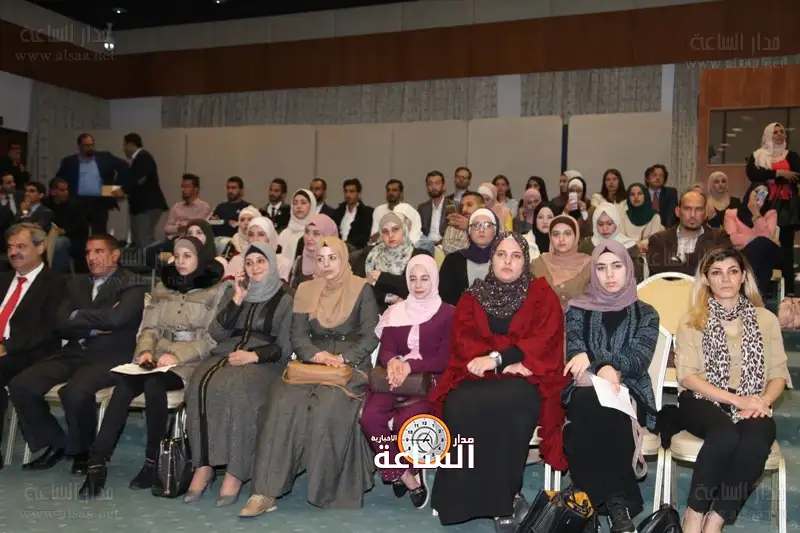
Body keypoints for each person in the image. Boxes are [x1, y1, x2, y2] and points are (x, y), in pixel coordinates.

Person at [430, 233, 568, 531]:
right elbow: (464, 342)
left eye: (516, 256)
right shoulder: (473, 296)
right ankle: (461, 500)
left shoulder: (541, 294)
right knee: (459, 405)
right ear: (491, 259)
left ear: (525, 261)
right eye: (501, 254)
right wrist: (503, 361)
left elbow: (544, 339)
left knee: (509, 406)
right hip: (480, 376)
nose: (508, 261)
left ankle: (504, 500)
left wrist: (497, 359)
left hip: (525, 379)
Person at [79, 236, 230, 498]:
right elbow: (149, 328)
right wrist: (145, 350)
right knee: (123, 385)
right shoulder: (163, 287)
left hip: (191, 361)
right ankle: (96, 464)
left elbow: (212, 338)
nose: (180, 261)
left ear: (201, 258)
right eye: (177, 256)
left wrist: (176, 355)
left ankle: (153, 462)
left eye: (187, 256)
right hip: (156, 358)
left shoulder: (217, 290)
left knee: (154, 384)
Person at [240, 237, 379, 517]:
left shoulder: (361, 288)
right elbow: (298, 335)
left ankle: (327, 491)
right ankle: (264, 492)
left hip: (348, 366)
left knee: (327, 405)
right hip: (311, 364)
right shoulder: (306, 290)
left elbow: (370, 334)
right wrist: (316, 355)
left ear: (344, 259)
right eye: (321, 259)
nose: (326, 265)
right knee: (282, 402)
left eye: (332, 258)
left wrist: (343, 358)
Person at [675, 248, 791, 533]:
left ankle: (716, 519)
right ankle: (694, 512)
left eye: (732, 271)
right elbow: (687, 377)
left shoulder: (766, 320)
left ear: (743, 277)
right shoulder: (692, 320)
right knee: (725, 435)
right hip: (701, 399)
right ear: (706, 279)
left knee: (756, 442)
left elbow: (778, 374)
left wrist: (762, 401)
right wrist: (738, 400)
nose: (725, 279)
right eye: (716, 273)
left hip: (754, 399)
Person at [8, 235, 144, 474]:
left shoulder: (131, 283)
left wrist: (78, 315)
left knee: (74, 392)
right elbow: (59, 323)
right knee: (22, 385)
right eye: (88, 252)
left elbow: (117, 318)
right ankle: (56, 442)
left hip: (109, 355)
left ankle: (83, 451)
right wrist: (93, 324)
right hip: (74, 351)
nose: (92, 257)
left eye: (99, 251)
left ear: (115, 255)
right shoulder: (76, 283)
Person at [184, 242, 293, 506]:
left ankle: (235, 471)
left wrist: (254, 356)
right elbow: (216, 333)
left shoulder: (286, 297)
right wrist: (236, 302)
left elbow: (286, 346)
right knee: (199, 383)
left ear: (272, 264)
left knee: (240, 389)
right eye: (249, 262)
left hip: (265, 361)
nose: (255, 268)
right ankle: (203, 464)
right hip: (228, 353)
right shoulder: (236, 291)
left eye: (261, 261)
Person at [563, 240, 660, 533]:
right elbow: (574, 351)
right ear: (593, 272)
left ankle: (588, 503)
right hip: (584, 390)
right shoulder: (577, 308)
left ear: (628, 269)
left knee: (604, 408)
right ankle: (618, 503)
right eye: (601, 268)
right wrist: (602, 367)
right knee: (593, 404)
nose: (609, 275)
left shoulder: (646, 313)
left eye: (616, 266)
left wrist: (599, 361)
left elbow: (638, 359)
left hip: (630, 389)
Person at [360, 255, 454, 508]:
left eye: (424, 278)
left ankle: (404, 469)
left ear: (434, 280)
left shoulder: (448, 314)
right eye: (412, 279)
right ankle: (404, 474)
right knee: (370, 418)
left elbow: (443, 359)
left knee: (407, 423)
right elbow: (387, 349)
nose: (418, 285)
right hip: (394, 378)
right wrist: (392, 362)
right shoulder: (396, 312)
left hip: (428, 381)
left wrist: (409, 365)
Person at [0, 223, 63, 467]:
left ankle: (56, 440)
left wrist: (7, 347)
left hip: (33, 352)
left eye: (21, 246)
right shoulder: (3, 279)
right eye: (10, 247)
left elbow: (47, 329)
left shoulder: (55, 284)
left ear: (40, 247)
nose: (13, 252)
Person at [746, 122, 800, 296]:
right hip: (762, 208)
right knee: (762, 248)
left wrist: (769, 175)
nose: (779, 134)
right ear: (767, 135)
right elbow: (753, 174)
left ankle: (789, 295)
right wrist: (779, 174)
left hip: (786, 211)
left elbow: (796, 175)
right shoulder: (756, 155)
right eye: (775, 132)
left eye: (781, 131)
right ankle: (761, 293)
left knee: (786, 252)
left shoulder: (792, 156)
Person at [55, 133, 128, 234]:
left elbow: (123, 166)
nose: (90, 148)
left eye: (92, 145)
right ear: (79, 147)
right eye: (86, 146)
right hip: (78, 201)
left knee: (99, 232)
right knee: (78, 232)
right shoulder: (69, 161)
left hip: (99, 201)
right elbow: (59, 178)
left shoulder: (104, 157)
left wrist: (117, 187)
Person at [438, 208, 498, 306]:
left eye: (487, 225)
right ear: (469, 231)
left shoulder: (504, 261)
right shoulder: (452, 261)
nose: (481, 230)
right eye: (476, 225)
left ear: (495, 231)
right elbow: (444, 299)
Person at [531, 215, 592, 310]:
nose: (561, 239)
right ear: (550, 237)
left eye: (567, 234)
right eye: (556, 234)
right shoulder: (538, 264)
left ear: (576, 236)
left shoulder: (589, 265)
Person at [363, 212, 419, 313]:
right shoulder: (372, 254)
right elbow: (361, 287)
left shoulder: (418, 255)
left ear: (404, 229)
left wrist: (382, 277)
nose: (390, 235)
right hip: (374, 311)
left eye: (395, 229)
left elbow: (414, 288)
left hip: (410, 312)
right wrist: (387, 297)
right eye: (385, 231)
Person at [121, 133, 169, 248]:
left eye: (124, 145)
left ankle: (150, 260)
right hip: (140, 207)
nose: (123, 149)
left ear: (130, 144)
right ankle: (142, 260)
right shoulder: (140, 158)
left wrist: (124, 191)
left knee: (144, 240)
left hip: (147, 206)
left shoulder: (143, 158)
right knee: (138, 240)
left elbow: (140, 180)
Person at [579, 203, 644, 281]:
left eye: (609, 224)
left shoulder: (629, 246)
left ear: (616, 223)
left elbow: (637, 278)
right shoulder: (587, 246)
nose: (605, 228)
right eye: (600, 224)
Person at [287, 214, 338, 292]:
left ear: (328, 236)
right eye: (307, 232)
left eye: (316, 233)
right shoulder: (299, 261)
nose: (309, 238)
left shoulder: (338, 266)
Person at [277, 189, 317, 267]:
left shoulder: (315, 234)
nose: (298, 206)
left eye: (303, 203)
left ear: (311, 206)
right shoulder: (284, 233)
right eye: (295, 203)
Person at [619, 183, 663, 251]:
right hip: (627, 252)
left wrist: (639, 244)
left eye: (639, 194)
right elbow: (621, 238)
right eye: (632, 194)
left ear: (645, 195)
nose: (636, 197)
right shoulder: (623, 216)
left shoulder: (655, 216)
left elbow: (654, 239)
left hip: (648, 253)